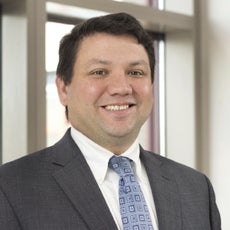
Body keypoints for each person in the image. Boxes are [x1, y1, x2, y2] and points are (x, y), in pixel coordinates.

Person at [0, 12, 221, 230]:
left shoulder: (195, 188)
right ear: (63, 89)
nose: (121, 88)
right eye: (99, 72)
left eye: (135, 72)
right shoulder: (10, 188)